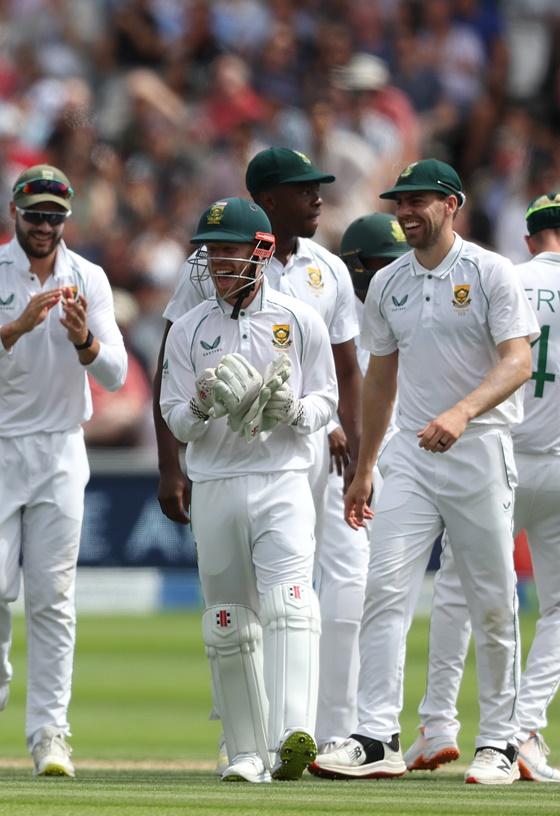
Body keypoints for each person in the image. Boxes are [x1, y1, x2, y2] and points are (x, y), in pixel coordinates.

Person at [313, 160, 538, 785]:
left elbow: (518, 360)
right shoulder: (388, 284)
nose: (406, 211)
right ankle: (376, 736)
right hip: (410, 455)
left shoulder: (491, 273)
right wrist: (364, 467)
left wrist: (462, 413)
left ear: (452, 205)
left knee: (492, 598)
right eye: (399, 202)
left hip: (479, 446)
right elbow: (380, 377)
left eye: (419, 201)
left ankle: (499, 742)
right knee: (384, 591)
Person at [402, 194, 560, 783]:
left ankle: (437, 724)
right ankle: (522, 729)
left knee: (460, 592)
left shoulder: (503, 278)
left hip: (500, 458)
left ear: (528, 239)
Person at [0, 164, 127, 777]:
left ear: (67, 219)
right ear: (15, 214)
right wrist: (15, 327)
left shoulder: (90, 279)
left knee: (53, 598)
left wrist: (84, 341)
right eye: (36, 215)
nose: (45, 226)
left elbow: (114, 374)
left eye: (56, 216)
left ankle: (51, 730)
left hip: (58, 449)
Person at [161, 197, 337, 782]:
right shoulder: (188, 329)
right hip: (214, 481)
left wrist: (295, 410)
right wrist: (200, 406)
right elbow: (173, 418)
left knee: (290, 603)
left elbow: (325, 399)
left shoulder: (300, 320)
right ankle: (244, 753)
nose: (215, 262)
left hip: (281, 478)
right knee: (228, 621)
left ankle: (291, 736)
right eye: (209, 251)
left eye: (228, 249)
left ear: (261, 252)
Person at [244, 147, 366, 755]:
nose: (317, 197)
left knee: (341, 578)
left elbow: (346, 368)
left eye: (318, 188)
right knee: (252, 589)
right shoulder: (224, 259)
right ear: (268, 200)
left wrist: (358, 448)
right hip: (243, 446)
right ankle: (248, 728)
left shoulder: (328, 268)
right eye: (303, 189)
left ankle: (333, 728)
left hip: (320, 444)